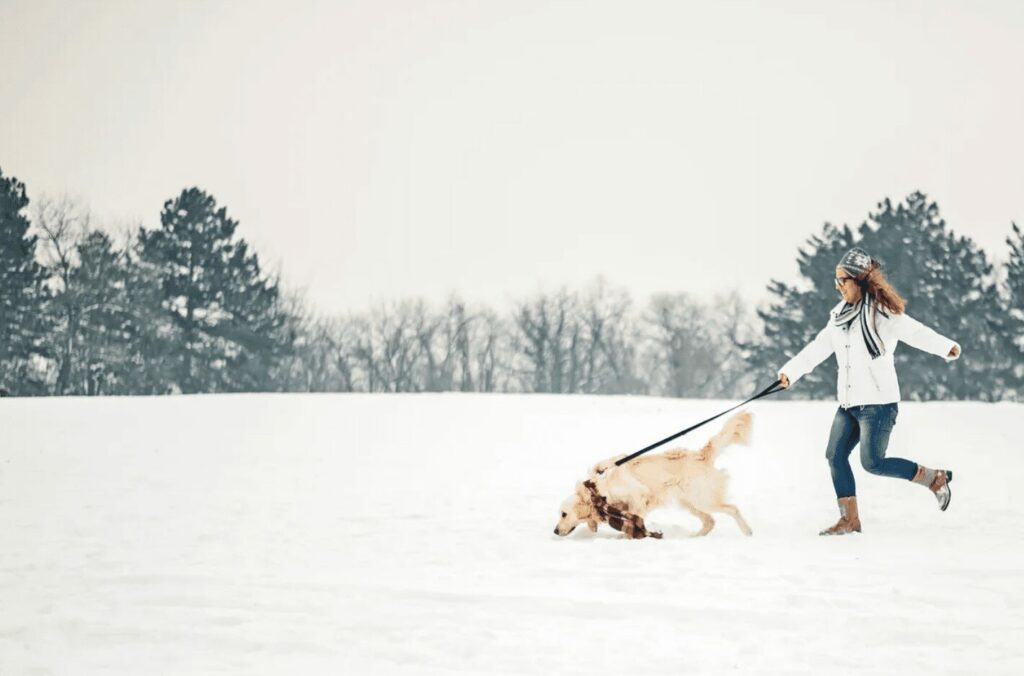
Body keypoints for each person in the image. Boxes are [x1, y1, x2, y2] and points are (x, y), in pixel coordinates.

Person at [776, 247, 961, 536]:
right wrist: (790, 372)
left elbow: (915, 331)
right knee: (834, 456)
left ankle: (934, 478)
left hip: (878, 403)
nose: (838, 287)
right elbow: (818, 347)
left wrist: (945, 346)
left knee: (873, 463)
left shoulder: (882, 313)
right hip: (848, 403)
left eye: (843, 281)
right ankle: (849, 520)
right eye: (836, 281)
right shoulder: (838, 316)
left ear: (858, 281)